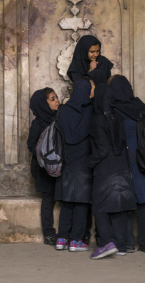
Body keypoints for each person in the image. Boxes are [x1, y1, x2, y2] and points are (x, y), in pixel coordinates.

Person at [108, 75, 145, 253]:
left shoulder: (114, 109)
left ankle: (127, 243)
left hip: (126, 160)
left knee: (125, 201)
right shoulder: (140, 106)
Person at [89, 83, 137, 259]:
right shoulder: (118, 116)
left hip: (105, 167)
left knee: (100, 206)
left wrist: (89, 162)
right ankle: (121, 245)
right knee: (120, 206)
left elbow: (102, 149)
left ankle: (106, 243)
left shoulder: (97, 118)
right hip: (122, 165)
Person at [54, 77, 95, 252]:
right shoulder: (90, 111)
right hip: (84, 162)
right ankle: (76, 240)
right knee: (81, 202)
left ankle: (62, 238)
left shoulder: (63, 111)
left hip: (67, 161)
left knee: (67, 201)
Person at [27, 87, 60, 245]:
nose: (57, 101)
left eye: (56, 97)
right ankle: (48, 233)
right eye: (52, 99)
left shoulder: (59, 118)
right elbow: (31, 144)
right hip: (45, 168)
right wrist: (46, 156)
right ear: (43, 104)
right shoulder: (38, 123)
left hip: (59, 166)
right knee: (48, 198)